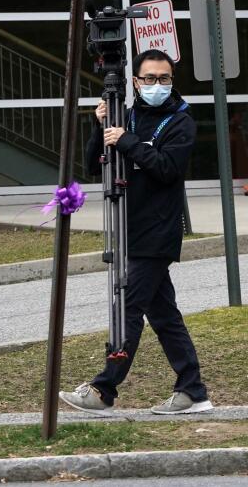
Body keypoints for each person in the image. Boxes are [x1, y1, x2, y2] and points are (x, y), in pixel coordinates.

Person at [59, 49, 212, 416]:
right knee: (164, 315)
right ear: (136, 82)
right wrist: (101, 128)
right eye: (149, 79)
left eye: (164, 79)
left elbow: (166, 168)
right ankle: (193, 390)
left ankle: (103, 389)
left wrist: (127, 140)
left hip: (157, 232)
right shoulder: (126, 114)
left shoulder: (181, 121)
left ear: (171, 81)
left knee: (127, 306)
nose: (156, 85)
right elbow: (97, 165)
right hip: (129, 229)